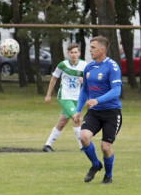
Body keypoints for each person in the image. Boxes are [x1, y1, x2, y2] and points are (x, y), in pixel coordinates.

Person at [73, 36, 122, 184]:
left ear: (102, 50)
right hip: (94, 112)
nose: (90, 50)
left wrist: (97, 100)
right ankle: (95, 164)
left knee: (105, 147)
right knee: (84, 137)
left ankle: (108, 175)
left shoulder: (112, 67)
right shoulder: (88, 67)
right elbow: (84, 91)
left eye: (93, 47)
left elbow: (116, 91)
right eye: (90, 47)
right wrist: (78, 110)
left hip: (112, 112)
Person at [42, 43, 85, 152]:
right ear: (68, 54)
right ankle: (83, 147)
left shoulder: (84, 65)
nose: (73, 55)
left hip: (77, 98)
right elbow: (54, 79)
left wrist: (85, 81)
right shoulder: (63, 65)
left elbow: (91, 80)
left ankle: (47, 145)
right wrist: (48, 95)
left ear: (79, 53)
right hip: (64, 97)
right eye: (71, 53)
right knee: (76, 118)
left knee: (62, 122)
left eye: (75, 52)